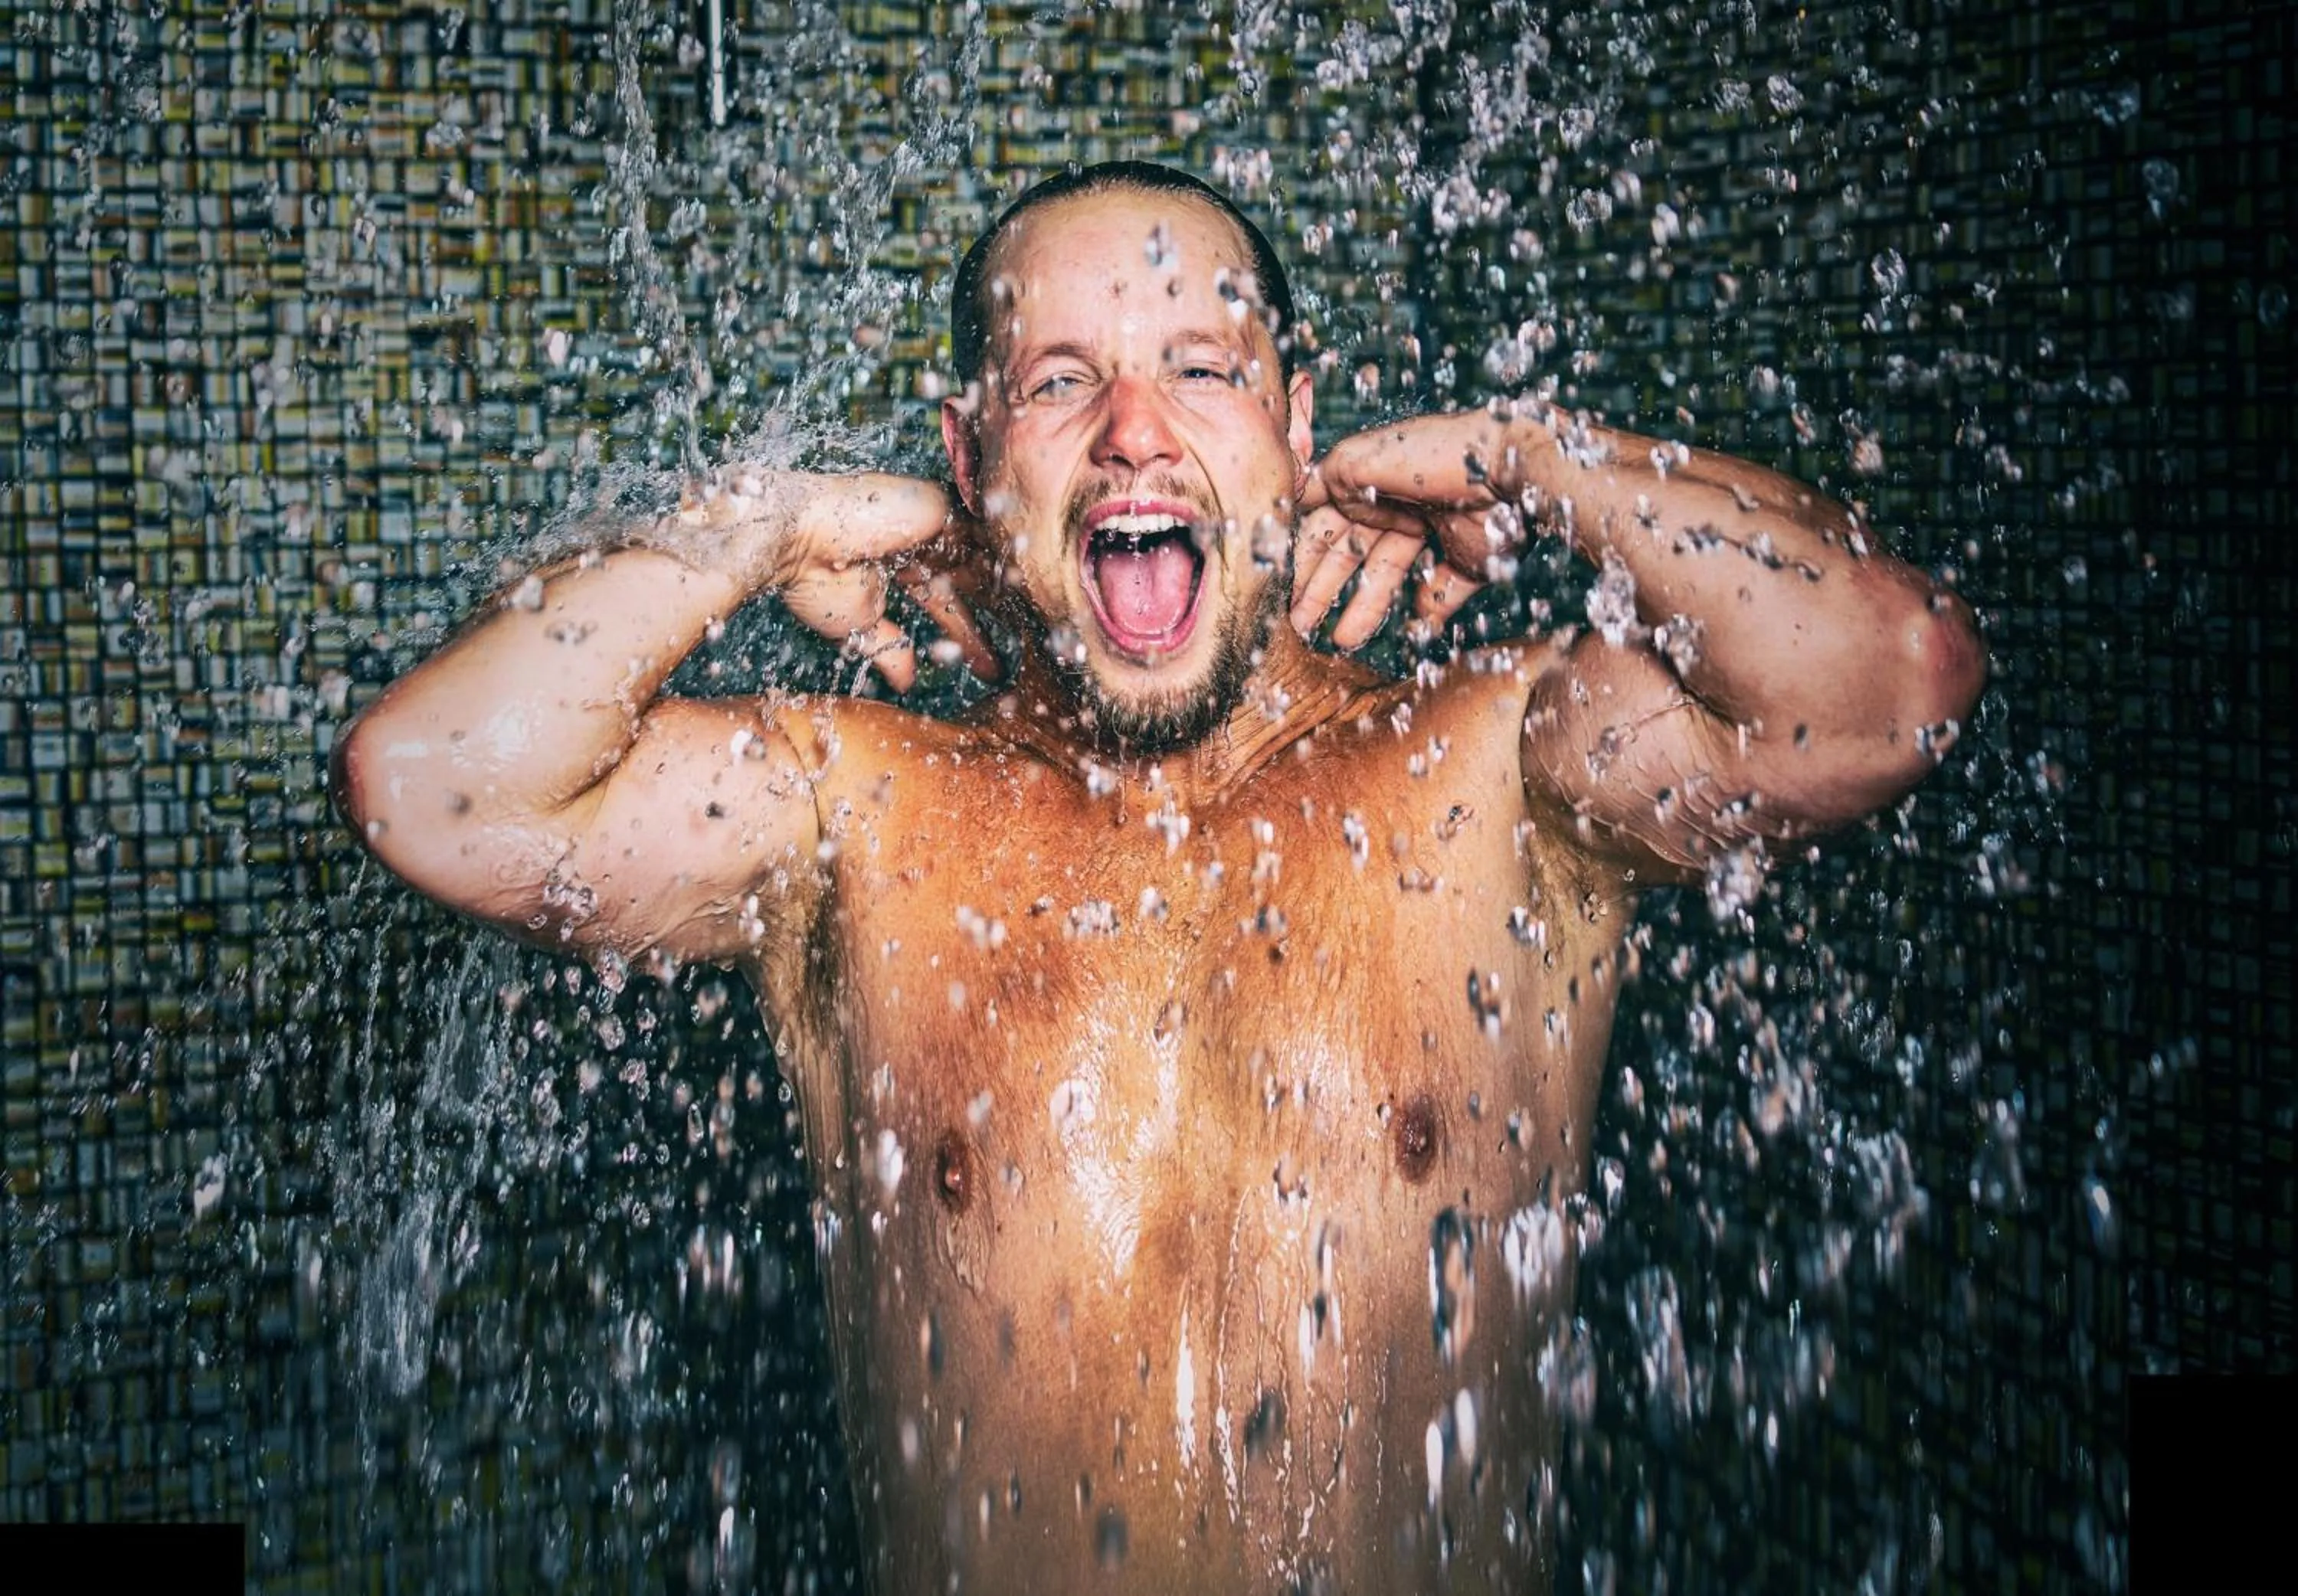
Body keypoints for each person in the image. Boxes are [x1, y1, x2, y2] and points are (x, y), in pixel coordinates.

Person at [334, 162, 1984, 1594]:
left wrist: (1523, 459)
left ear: (1295, 427)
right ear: (976, 455)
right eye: (1059, 383)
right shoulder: (858, 813)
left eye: (1202, 367)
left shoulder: (1502, 771)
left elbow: (1889, 684)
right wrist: (766, 528)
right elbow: (438, 790)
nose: (1134, 434)